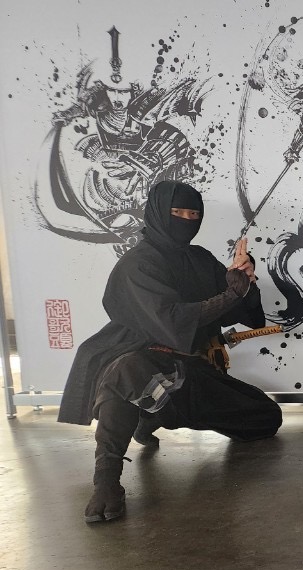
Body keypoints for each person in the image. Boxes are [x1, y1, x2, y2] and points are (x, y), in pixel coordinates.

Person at [60, 181, 283, 524]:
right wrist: (230, 295)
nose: (186, 220)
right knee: (125, 373)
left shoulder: (200, 259)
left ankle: (152, 415)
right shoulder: (137, 265)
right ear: (157, 213)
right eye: (177, 212)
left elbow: (241, 311)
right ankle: (106, 481)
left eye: (194, 214)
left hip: (188, 370)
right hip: (139, 358)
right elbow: (171, 321)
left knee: (266, 418)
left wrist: (244, 281)